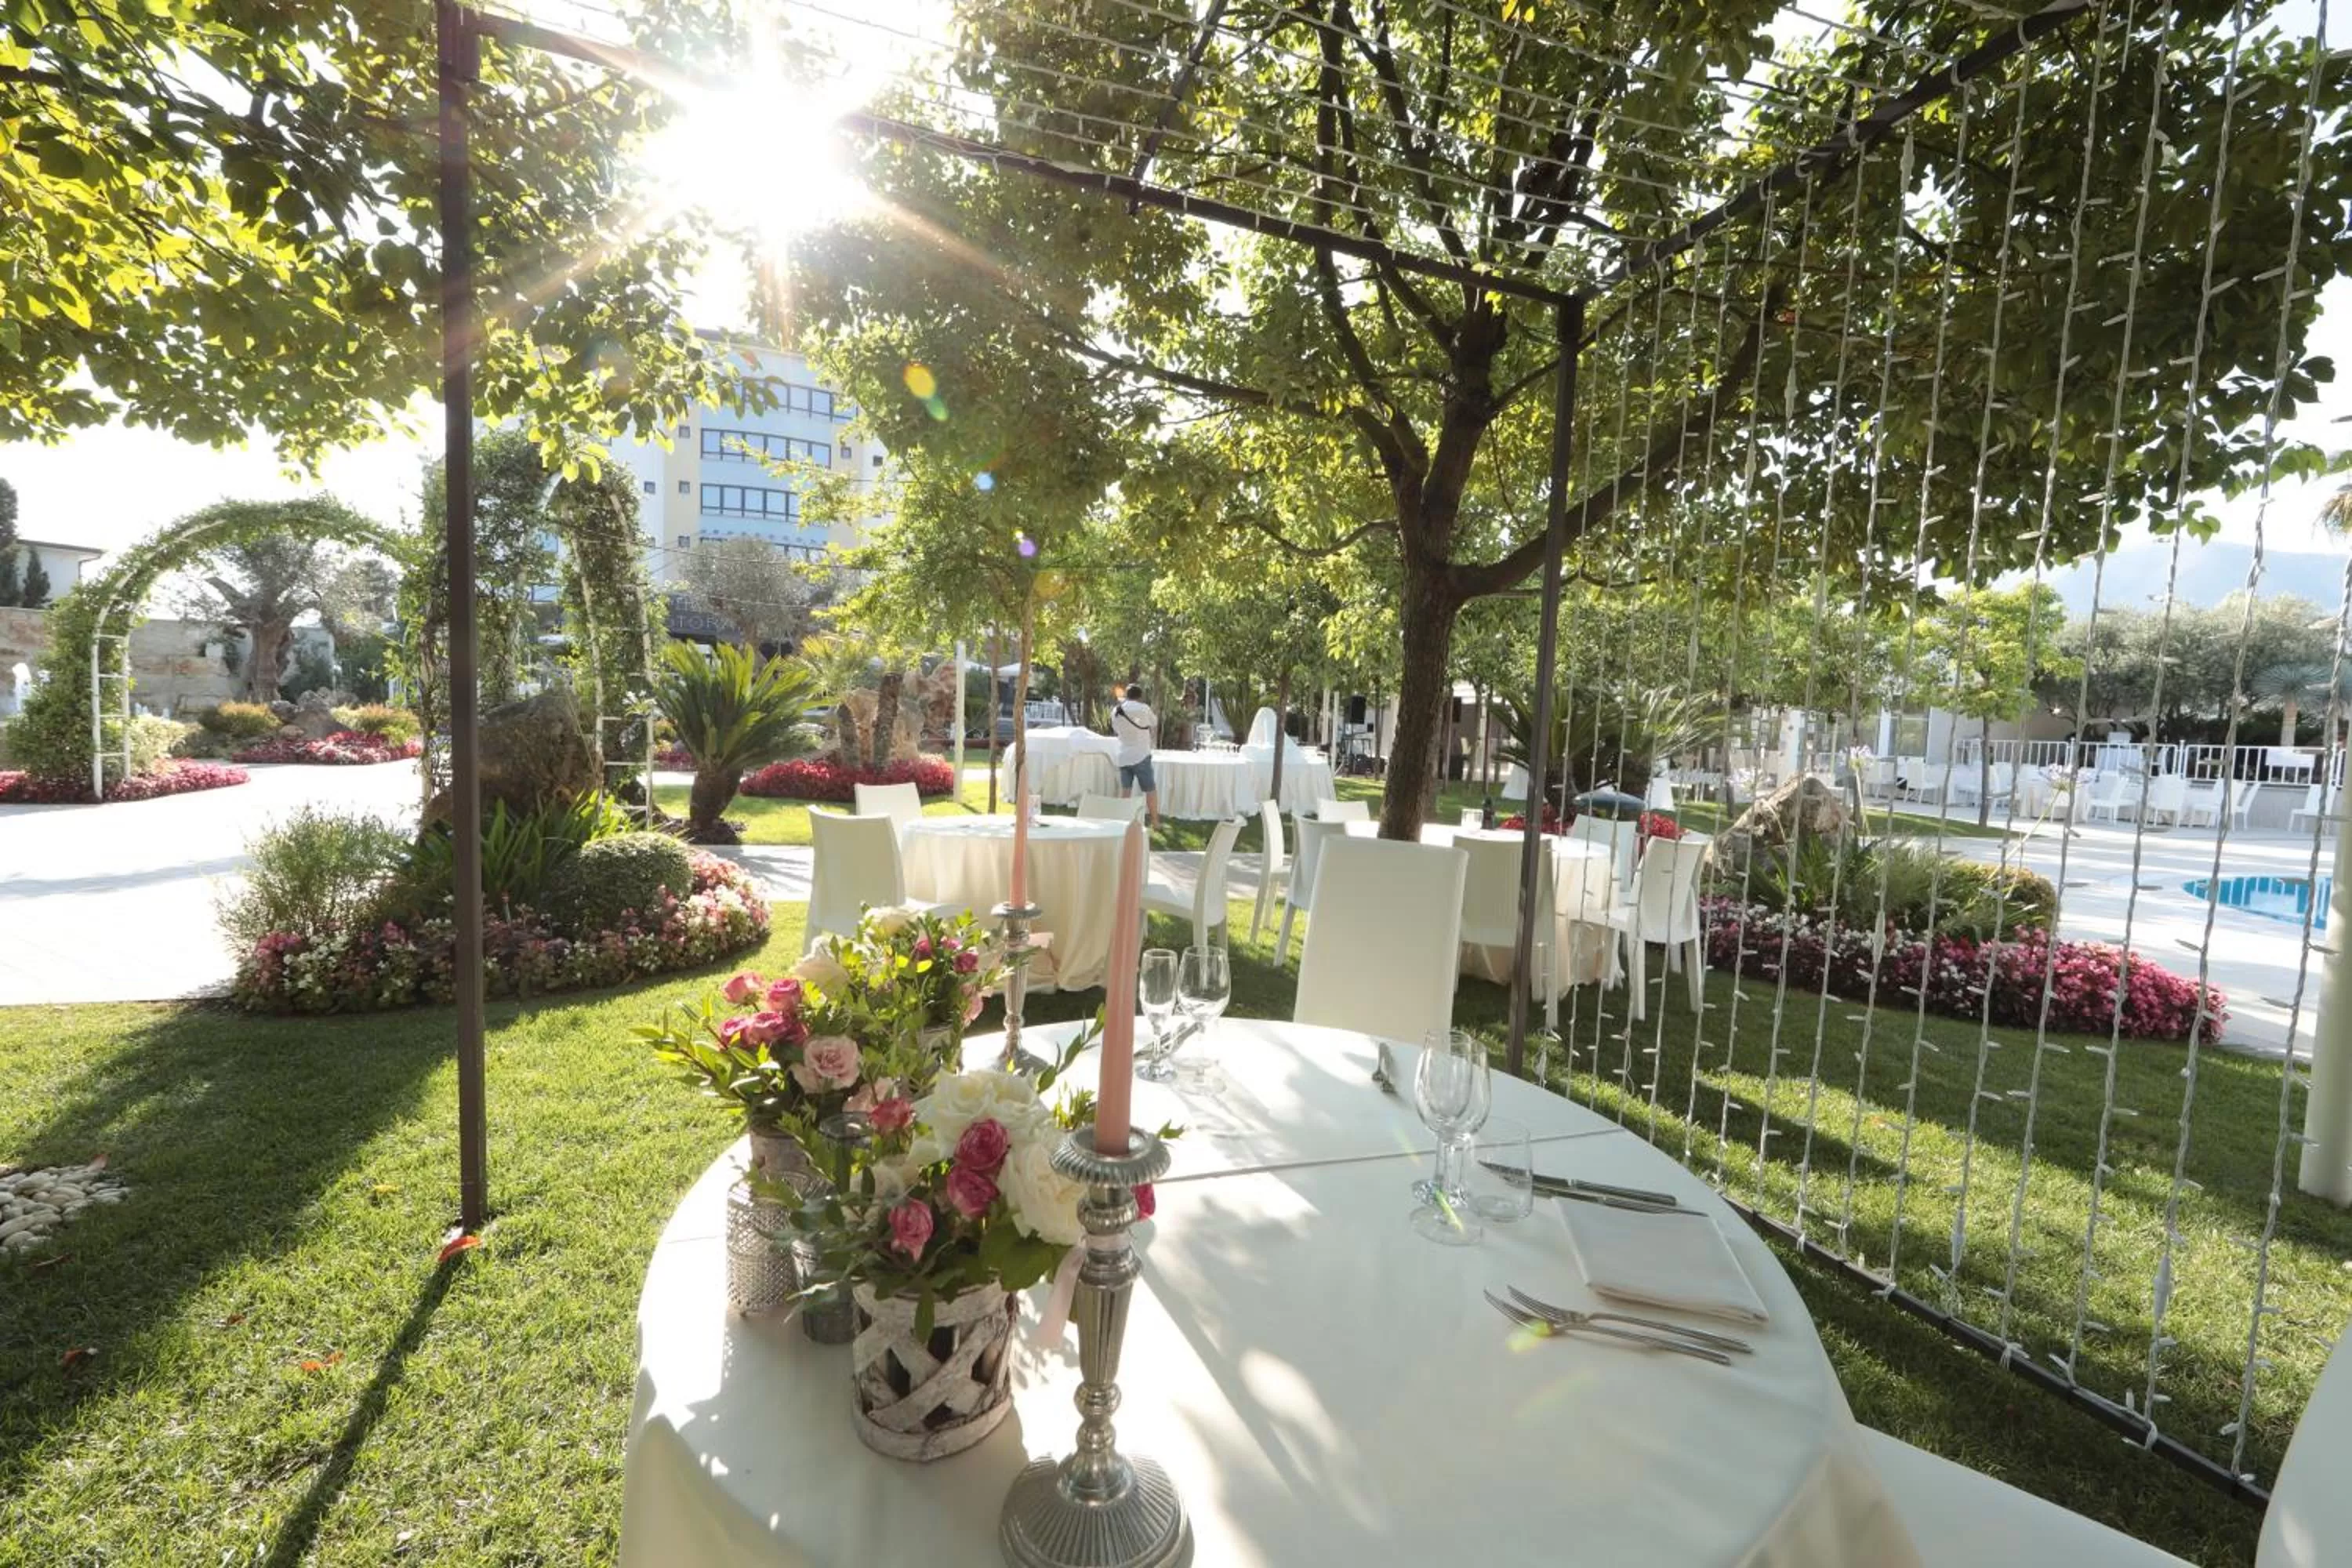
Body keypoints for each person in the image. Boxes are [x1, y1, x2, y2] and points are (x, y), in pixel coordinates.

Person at [1109, 682, 1160, 829]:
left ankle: (1122, 821)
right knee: (1150, 790)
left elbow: (1116, 729)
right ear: (1140, 696)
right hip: (1141, 754)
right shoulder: (1143, 709)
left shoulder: (1116, 710)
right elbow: (1154, 722)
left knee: (1126, 790)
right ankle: (1155, 821)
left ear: (1127, 695)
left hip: (1124, 755)